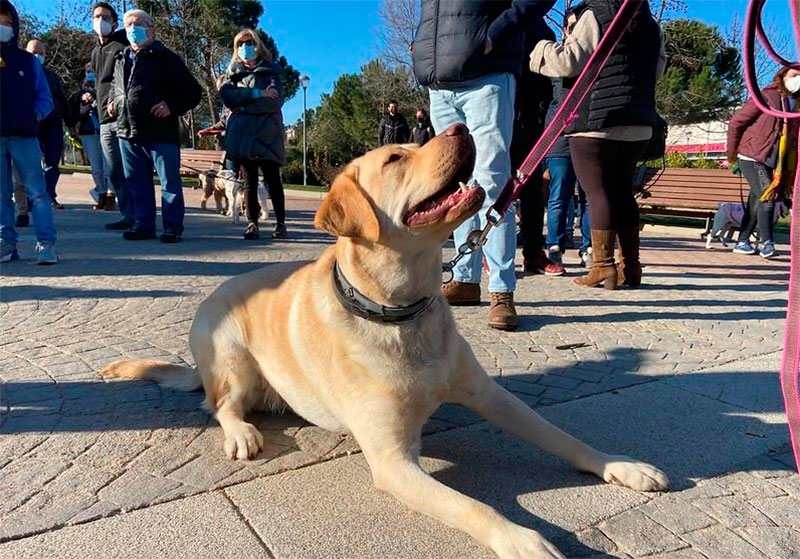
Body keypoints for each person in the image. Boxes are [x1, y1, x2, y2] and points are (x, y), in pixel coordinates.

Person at [413, 0, 555, 330]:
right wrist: (422, 45)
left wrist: (493, 35)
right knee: (456, 186)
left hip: (486, 75)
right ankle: (464, 279)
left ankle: (501, 289)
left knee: (492, 182)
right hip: (440, 81)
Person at [530, 0, 665, 289]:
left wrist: (539, 49)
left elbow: (568, 61)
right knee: (623, 193)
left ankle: (603, 266)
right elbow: (658, 69)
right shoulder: (649, 22)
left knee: (597, 192)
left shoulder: (596, 13)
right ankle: (631, 266)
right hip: (639, 121)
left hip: (595, 119)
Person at [109, 9, 201, 243]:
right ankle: (143, 224)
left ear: (151, 29)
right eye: (128, 24)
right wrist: (113, 101)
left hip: (161, 134)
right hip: (127, 132)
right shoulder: (121, 58)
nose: (131, 29)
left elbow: (192, 91)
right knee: (137, 184)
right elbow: (116, 86)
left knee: (169, 183)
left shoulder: (167, 58)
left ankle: (172, 227)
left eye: (137, 24)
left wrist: (171, 105)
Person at [0, 0, 58, 264]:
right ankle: (6, 244)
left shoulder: (28, 61)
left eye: (9, 23)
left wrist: (32, 115)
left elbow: (44, 97)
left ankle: (46, 244)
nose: (4, 27)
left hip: (24, 137)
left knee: (38, 193)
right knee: (1, 195)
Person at [220, 28, 287, 240]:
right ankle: (252, 223)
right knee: (248, 182)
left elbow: (273, 102)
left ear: (257, 45)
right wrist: (257, 93)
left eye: (249, 42)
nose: (244, 47)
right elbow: (228, 98)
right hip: (244, 136)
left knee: (272, 181)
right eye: (240, 44)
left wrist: (244, 105)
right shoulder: (233, 73)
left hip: (268, 135)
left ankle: (280, 223)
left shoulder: (272, 73)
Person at [728, 67, 800, 259]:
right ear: (782, 77)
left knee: (756, 202)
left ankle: (742, 241)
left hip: (775, 161)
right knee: (769, 195)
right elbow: (737, 122)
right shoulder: (766, 97)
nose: (798, 79)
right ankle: (767, 242)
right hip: (753, 156)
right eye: (795, 75)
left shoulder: (796, 104)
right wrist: (732, 153)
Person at [509, 16, 560, 277]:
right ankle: (494, 252)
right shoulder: (495, 14)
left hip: (530, 119)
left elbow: (551, 74)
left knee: (531, 191)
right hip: (498, 114)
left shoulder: (539, 25)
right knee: (495, 187)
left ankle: (533, 254)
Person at [91, 1, 134, 230]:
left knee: (130, 168)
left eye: (105, 17)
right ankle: (128, 215)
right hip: (103, 119)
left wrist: (114, 101)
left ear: (114, 22)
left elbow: (124, 78)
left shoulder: (122, 44)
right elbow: (100, 83)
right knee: (115, 170)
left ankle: (140, 215)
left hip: (122, 115)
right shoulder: (95, 51)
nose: (100, 21)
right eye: (97, 16)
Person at [25, 39, 70, 209]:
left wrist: (71, 124)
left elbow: (62, 101)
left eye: (41, 53)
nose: (37, 56)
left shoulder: (52, 76)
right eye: (33, 52)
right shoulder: (18, 75)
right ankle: (30, 199)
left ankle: (49, 195)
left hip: (52, 125)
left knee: (52, 162)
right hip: (29, 125)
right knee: (31, 162)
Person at [68, 64, 113, 210]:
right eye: (88, 72)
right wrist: (82, 110)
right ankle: (100, 193)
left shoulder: (107, 89)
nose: (90, 75)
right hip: (88, 134)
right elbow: (72, 117)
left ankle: (111, 194)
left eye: (93, 71)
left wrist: (95, 99)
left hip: (105, 131)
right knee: (96, 168)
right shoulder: (79, 95)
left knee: (109, 166)